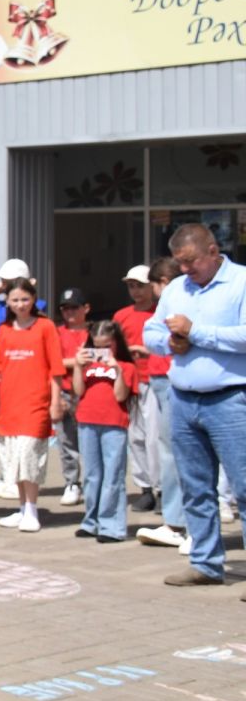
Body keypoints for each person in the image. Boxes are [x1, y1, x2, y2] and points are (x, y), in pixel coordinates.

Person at [145, 223, 246, 593]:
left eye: (191, 262)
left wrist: (195, 332)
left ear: (213, 250)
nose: (185, 270)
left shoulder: (241, 283)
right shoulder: (175, 288)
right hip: (184, 398)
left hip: (231, 398)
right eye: (180, 263)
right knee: (195, 488)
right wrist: (172, 342)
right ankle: (205, 563)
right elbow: (150, 333)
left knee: (244, 487)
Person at [0, 279, 64, 532]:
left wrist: (56, 401)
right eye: (15, 300)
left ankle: (32, 508)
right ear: (8, 302)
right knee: (13, 459)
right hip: (9, 404)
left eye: (25, 299)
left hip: (36, 402)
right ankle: (21, 508)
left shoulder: (46, 327)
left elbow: (56, 368)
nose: (20, 305)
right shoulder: (4, 329)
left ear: (34, 299)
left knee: (30, 457)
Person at [132, 258, 189, 549]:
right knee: (167, 450)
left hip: (173, 381)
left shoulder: (182, 302)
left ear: (163, 283)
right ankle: (176, 522)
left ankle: (184, 525)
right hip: (160, 379)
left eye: (153, 286)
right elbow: (151, 334)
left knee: (180, 453)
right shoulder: (168, 306)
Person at [71, 320, 135, 543]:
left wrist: (117, 369)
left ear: (116, 342)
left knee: (113, 475)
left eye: (106, 345)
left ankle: (112, 526)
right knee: (91, 474)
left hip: (114, 423)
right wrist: (78, 366)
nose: (101, 351)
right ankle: (91, 521)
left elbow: (120, 396)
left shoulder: (126, 366)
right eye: (97, 346)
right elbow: (78, 390)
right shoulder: (88, 365)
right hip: (87, 420)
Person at [116, 264, 165, 513]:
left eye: (140, 286)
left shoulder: (160, 313)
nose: (136, 291)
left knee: (155, 437)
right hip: (131, 381)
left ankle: (161, 489)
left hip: (154, 379)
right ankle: (145, 487)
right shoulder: (122, 316)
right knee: (135, 437)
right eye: (131, 286)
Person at [52, 288, 91, 506]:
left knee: (89, 440)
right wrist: (76, 361)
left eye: (74, 307)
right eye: (65, 308)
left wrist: (75, 361)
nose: (69, 312)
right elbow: (54, 362)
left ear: (86, 308)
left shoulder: (93, 332)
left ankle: (91, 482)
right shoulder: (57, 333)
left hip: (89, 392)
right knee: (66, 441)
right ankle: (71, 482)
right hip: (65, 390)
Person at [0, 258, 46, 340]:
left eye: (8, 281)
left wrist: (28, 288)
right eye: (3, 281)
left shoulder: (36, 304)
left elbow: (35, 308)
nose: (4, 284)